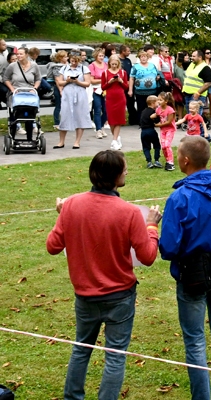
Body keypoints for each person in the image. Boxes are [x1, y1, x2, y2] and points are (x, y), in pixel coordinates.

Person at [47, 150, 161, 400]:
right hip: (118, 297)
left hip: (88, 296)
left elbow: (53, 245)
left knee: (81, 350)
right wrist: (152, 226)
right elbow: (149, 257)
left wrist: (64, 216)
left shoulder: (72, 205)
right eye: (125, 169)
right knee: (115, 356)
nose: (127, 172)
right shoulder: (128, 213)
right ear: (115, 175)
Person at [158, 136, 211, 400]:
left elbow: (169, 247)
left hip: (193, 275)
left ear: (184, 160)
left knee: (195, 341)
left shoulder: (180, 197)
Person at [55, 53, 94, 149]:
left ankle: (77, 141)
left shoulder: (84, 68)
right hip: (67, 94)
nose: (74, 63)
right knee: (64, 115)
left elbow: (87, 83)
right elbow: (59, 82)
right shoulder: (64, 68)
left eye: (76, 61)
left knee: (80, 116)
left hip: (80, 93)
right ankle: (61, 141)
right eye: (72, 60)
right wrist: (67, 81)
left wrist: (77, 82)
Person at [4, 46, 42, 141]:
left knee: (30, 117)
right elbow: (5, 78)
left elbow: (38, 79)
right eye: (17, 54)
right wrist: (12, 89)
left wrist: (34, 88)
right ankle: (12, 137)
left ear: (27, 55)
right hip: (16, 94)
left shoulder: (34, 65)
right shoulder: (13, 66)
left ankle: (30, 138)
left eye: (21, 54)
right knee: (15, 117)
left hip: (29, 95)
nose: (18, 56)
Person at [102, 56, 129, 150]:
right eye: (112, 64)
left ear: (118, 64)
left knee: (118, 119)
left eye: (115, 64)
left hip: (120, 98)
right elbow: (103, 87)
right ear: (109, 63)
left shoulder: (123, 72)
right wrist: (109, 82)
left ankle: (114, 140)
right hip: (110, 98)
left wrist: (121, 81)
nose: (114, 66)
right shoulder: (105, 73)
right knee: (111, 120)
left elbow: (126, 87)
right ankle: (117, 138)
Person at [129, 51, 160, 119]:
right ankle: (142, 121)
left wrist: (158, 77)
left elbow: (158, 74)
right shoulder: (135, 67)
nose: (143, 58)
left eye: (145, 56)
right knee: (141, 107)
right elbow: (131, 78)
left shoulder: (152, 65)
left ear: (147, 57)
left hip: (152, 91)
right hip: (140, 91)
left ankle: (152, 120)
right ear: (139, 58)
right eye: (141, 57)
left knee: (153, 106)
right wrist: (130, 90)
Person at [88, 48, 109, 139]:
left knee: (106, 110)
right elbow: (91, 80)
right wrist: (102, 80)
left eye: (103, 56)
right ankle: (98, 130)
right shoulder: (92, 66)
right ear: (96, 56)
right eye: (100, 56)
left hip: (105, 90)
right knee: (97, 109)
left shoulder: (106, 65)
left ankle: (101, 126)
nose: (101, 57)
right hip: (96, 90)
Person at [140, 95, 162, 168]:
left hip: (143, 132)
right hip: (151, 130)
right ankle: (156, 160)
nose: (158, 104)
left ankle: (149, 161)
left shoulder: (143, 111)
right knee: (157, 145)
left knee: (146, 147)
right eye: (157, 103)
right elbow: (157, 121)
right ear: (153, 103)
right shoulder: (154, 112)